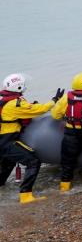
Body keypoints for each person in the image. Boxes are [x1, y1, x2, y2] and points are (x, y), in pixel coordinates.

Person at [0, 74, 60, 204]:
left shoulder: (4, 100)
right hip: (7, 141)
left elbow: (19, 111)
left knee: (7, 164)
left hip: (2, 142)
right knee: (33, 161)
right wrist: (54, 101)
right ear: (18, 86)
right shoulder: (15, 103)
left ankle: (2, 192)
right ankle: (25, 195)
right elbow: (39, 110)